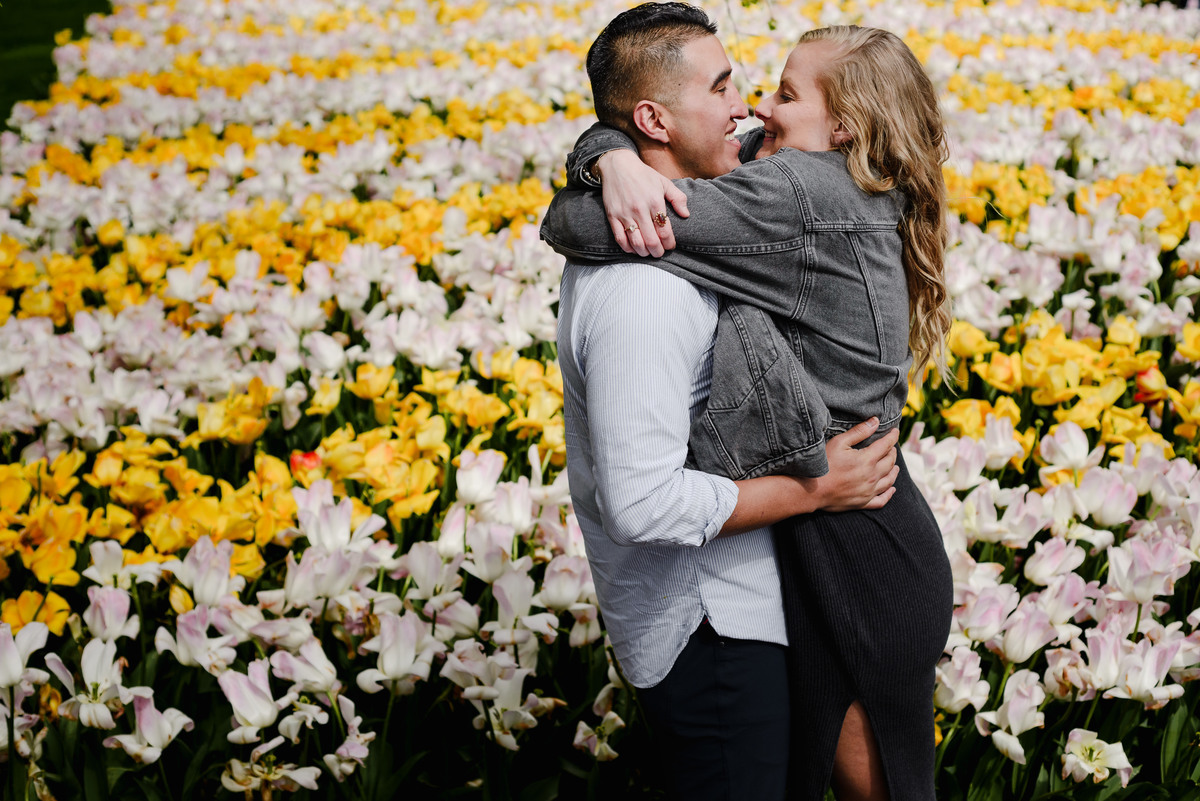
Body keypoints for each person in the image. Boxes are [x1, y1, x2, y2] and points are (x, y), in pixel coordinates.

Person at [541, 18, 956, 801]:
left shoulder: (800, 193)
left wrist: (612, 161)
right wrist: (614, 153)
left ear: (843, 124)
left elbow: (569, 224)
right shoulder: (820, 178)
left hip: (856, 542)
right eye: (738, 86)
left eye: (782, 93)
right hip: (840, 525)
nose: (759, 109)